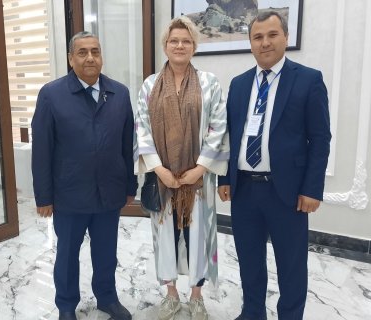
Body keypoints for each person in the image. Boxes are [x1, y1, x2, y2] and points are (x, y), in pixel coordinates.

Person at [218, 11, 331, 320]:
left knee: (292, 264)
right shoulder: (240, 85)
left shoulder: (308, 80)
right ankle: (252, 312)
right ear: (250, 43)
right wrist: (224, 179)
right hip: (244, 190)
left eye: (271, 35)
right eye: (257, 37)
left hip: (288, 193)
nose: (264, 42)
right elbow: (231, 135)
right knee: (249, 259)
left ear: (285, 37)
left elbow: (320, 139)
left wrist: (312, 189)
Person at [31, 31, 138, 320]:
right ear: (70, 58)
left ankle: (107, 297)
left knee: (106, 253)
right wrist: (44, 196)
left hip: (109, 193)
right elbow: (41, 149)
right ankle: (66, 305)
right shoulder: (52, 95)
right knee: (66, 256)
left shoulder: (119, 93)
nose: (90, 57)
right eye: (82, 52)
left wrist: (130, 184)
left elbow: (127, 145)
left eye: (95, 51)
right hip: (69, 195)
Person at [134, 16, 228, 320]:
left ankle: (197, 296)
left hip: (197, 179)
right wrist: (159, 170)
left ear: (194, 46)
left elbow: (218, 127)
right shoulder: (150, 85)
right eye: (174, 40)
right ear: (165, 45)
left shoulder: (209, 83)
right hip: (162, 178)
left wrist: (199, 169)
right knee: (165, 235)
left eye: (186, 41)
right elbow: (142, 129)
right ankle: (171, 293)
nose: (179, 45)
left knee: (199, 234)